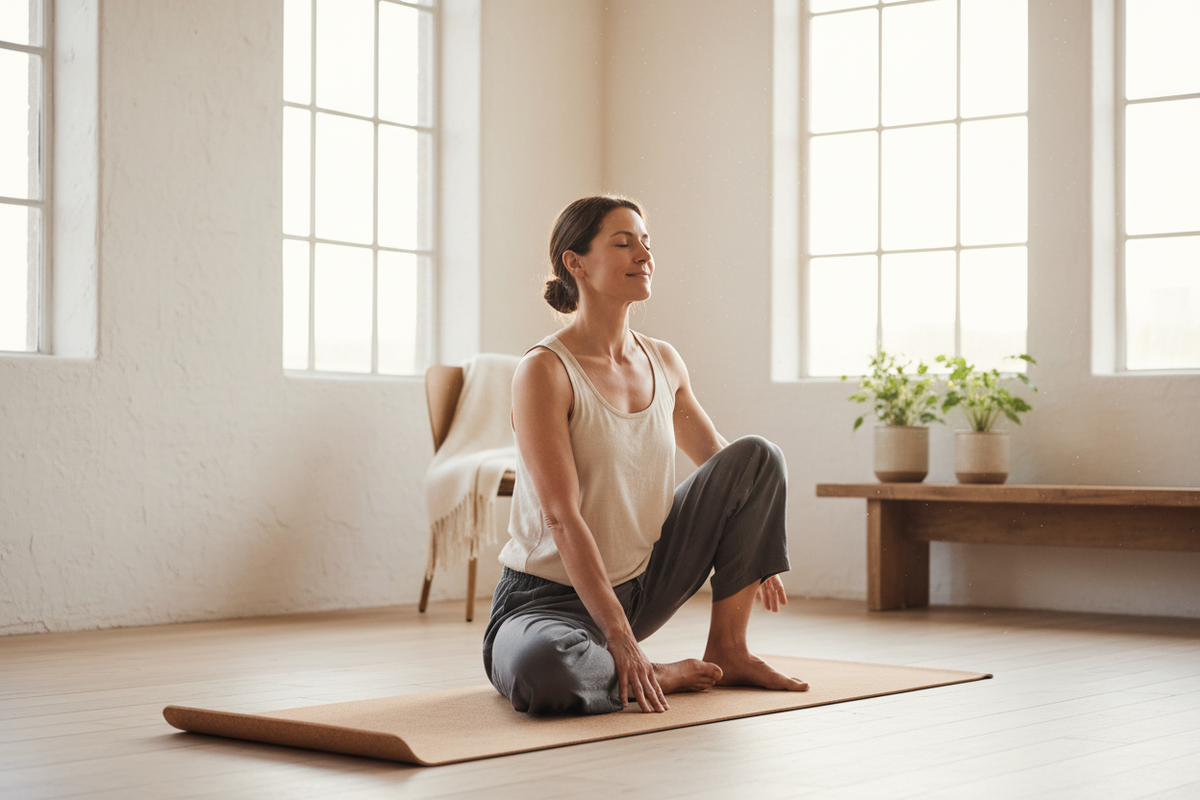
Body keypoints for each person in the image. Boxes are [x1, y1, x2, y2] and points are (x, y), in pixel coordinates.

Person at [483, 195, 808, 715]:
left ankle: (730, 649)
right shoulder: (545, 370)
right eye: (623, 242)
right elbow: (560, 517)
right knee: (547, 672)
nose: (644, 254)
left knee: (760, 456)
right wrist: (621, 639)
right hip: (545, 603)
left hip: (643, 583)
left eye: (646, 243)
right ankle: (650, 671)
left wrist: (757, 537)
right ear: (576, 262)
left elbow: (726, 464)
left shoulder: (664, 360)